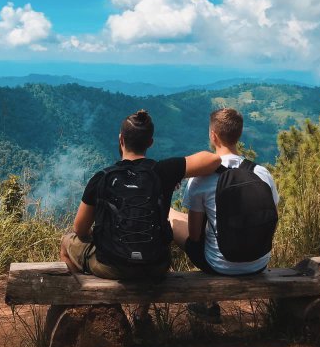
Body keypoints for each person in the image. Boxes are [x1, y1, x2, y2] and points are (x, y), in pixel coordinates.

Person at [60, 109, 221, 280]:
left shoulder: (101, 177)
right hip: (156, 265)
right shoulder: (163, 171)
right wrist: (177, 173)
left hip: (112, 266)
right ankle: (140, 307)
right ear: (150, 142)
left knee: (66, 242)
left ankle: (86, 301)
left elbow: (80, 229)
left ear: (121, 139)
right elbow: (213, 159)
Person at [170, 107, 279, 322]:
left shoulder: (201, 179)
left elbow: (194, 235)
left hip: (219, 264)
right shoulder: (262, 173)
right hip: (258, 261)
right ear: (239, 134)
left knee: (171, 217)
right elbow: (272, 217)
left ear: (213, 135)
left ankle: (206, 303)